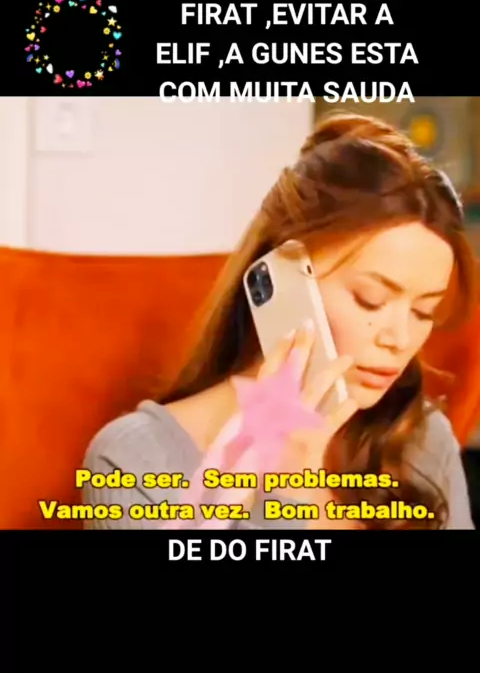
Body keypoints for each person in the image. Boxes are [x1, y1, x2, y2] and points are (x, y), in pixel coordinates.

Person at [81, 111, 478, 530]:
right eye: (371, 300)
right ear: (284, 273)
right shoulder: (132, 461)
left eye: (423, 312)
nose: (400, 339)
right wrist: (284, 494)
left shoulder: (421, 439)